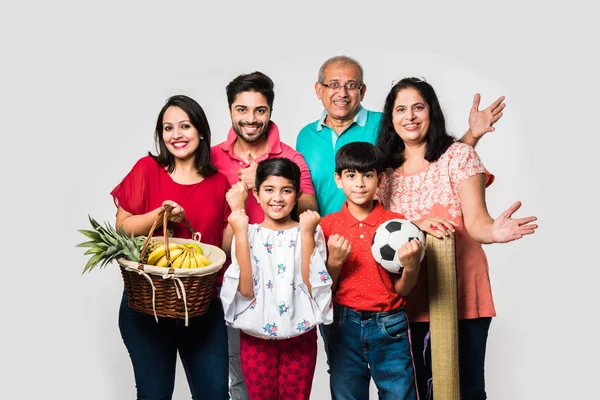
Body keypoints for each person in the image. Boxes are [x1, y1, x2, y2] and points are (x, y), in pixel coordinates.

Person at [375, 77, 538, 400]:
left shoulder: (459, 156)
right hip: (408, 294)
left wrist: (493, 232)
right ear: (391, 119)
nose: (410, 116)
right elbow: (378, 228)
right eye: (401, 109)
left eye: (418, 107)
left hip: (461, 288)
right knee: (415, 389)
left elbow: (477, 220)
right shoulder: (382, 173)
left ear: (431, 112)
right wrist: (416, 222)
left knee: (467, 388)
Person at [110, 95, 231, 399]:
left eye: (185, 126)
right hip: (147, 304)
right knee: (154, 396)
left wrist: (239, 214)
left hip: (201, 306)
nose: (176, 135)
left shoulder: (219, 183)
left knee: (215, 394)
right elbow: (122, 227)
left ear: (201, 131)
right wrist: (159, 215)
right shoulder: (147, 169)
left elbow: (222, 249)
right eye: (168, 128)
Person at [211, 71, 319, 399]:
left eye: (259, 110)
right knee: (240, 377)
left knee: (291, 382)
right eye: (242, 109)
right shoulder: (213, 157)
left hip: (284, 288)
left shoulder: (290, 156)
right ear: (230, 110)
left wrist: (263, 178)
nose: (251, 118)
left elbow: (310, 206)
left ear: (270, 111)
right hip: (233, 284)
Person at [296, 55, 505, 217]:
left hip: (377, 237)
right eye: (333, 85)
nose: (342, 93)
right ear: (318, 90)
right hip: (324, 238)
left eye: (351, 85)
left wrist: (472, 135)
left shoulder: (386, 124)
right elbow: (305, 190)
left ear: (363, 91)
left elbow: (433, 161)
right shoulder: (305, 136)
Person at [319, 141, 429, 399]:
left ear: (380, 179)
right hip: (342, 323)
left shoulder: (399, 225)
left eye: (368, 175)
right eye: (351, 175)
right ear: (338, 180)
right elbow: (323, 290)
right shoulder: (327, 226)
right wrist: (334, 262)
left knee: (399, 394)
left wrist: (411, 267)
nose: (359, 183)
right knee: (347, 395)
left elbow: (402, 288)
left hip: (389, 324)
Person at [219, 158, 333, 400]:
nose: (278, 198)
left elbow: (311, 287)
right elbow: (246, 291)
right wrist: (239, 229)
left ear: (297, 195)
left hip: (299, 339)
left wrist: (305, 233)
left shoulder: (309, 229)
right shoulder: (248, 232)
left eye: (286, 190)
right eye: (269, 190)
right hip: (256, 341)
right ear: (257, 195)